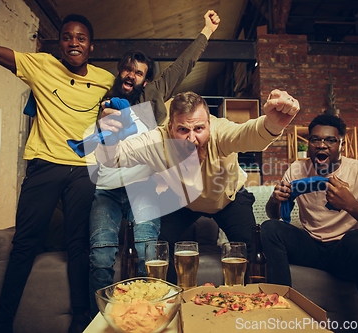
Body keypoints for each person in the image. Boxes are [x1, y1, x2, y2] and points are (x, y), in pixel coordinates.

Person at [0, 9, 115, 333]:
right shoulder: (39, 65)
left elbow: (122, 118)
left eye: (80, 38)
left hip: (83, 170)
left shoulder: (105, 80)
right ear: (58, 43)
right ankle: (1, 324)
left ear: (91, 46)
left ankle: (82, 321)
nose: (73, 43)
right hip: (44, 166)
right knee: (25, 242)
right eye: (67, 37)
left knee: (79, 244)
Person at [88, 10, 220, 315]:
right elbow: (96, 153)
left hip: (143, 186)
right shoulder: (105, 105)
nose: (131, 76)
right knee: (100, 254)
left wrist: (207, 31)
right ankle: (103, 316)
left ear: (146, 78)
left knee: (151, 253)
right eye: (127, 70)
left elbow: (183, 64)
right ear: (120, 71)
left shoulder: (154, 95)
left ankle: (148, 312)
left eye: (138, 72)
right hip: (108, 188)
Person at [95, 89, 300, 284]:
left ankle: (248, 306)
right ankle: (172, 303)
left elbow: (247, 135)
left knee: (252, 249)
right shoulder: (158, 140)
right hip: (183, 201)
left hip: (228, 199)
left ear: (210, 124)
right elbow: (114, 158)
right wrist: (108, 134)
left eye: (199, 129)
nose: (191, 139)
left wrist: (271, 125)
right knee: (160, 248)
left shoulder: (220, 132)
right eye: (183, 130)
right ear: (170, 128)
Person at [261, 114, 358, 331]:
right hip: (311, 247)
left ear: (341, 144)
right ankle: (281, 314)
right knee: (269, 229)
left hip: (343, 252)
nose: (321, 145)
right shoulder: (297, 169)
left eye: (330, 140)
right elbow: (273, 215)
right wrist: (275, 199)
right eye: (315, 140)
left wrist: (352, 205)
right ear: (309, 144)